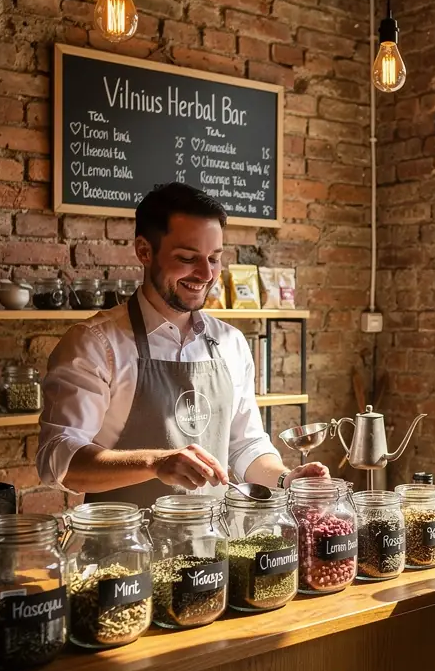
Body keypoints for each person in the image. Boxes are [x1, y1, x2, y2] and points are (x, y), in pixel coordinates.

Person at [38, 183, 327, 503]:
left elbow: (245, 446)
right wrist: (155, 463)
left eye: (214, 258)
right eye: (188, 258)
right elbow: (59, 459)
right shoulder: (95, 344)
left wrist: (287, 478)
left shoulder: (231, 343)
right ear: (144, 251)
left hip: (214, 547)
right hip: (123, 548)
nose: (206, 274)